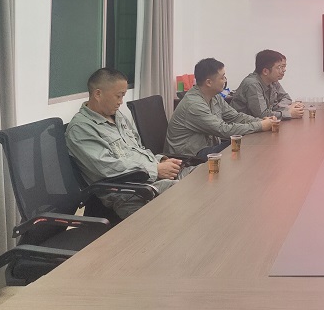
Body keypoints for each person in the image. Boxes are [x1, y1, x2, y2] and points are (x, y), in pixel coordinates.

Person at [66, 68, 182, 219]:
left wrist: (159, 161)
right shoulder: (81, 129)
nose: (121, 102)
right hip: (129, 192)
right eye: (118, 96)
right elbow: (108, 168)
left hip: (147, 179)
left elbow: (137, 149)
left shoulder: (117, 116)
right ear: (98, 94)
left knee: (196, 174)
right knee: (184, 194)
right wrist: (155, 169)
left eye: (123, 96)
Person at [165, 58, 275, 158]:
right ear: (209, 82)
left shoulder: (214, 96)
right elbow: (223, 130)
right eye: (222, 77)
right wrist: (260, 125)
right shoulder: (193, 105)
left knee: (248, 143)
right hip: (190, 156)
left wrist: (261, 121)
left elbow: (235, 117)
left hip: (208, 147)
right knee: (245, 146)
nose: (225, 80)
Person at [231, 50, 303, 119]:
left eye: (283, 67)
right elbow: (262, 115)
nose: (284, 70)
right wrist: (288, 113)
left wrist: (285, 108)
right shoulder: (253, 84)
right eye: (279, 67)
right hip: (243, 125)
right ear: (265, 71)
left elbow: (286, 97)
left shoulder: (272, 81)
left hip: (259, 124)